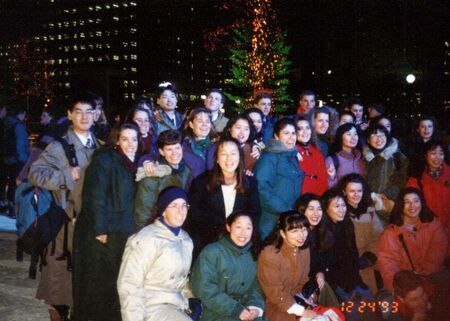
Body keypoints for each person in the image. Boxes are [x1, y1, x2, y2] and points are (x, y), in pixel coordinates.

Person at [28, 94, 99, 321]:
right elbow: (35, 173)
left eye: (89, 111)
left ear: (96, 115)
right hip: (64, 226)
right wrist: (67, 175)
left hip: (89, 224)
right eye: (78, 111)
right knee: (59, 285)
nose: (84, 116)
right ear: (70, 115)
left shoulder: (100, 146)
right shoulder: (59, 146)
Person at [72, 122, 140, 321]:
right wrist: (100, 230)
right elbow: (95, 195)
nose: (130, 144)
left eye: (134, 139)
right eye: (125, 139)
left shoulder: (131, 162)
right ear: (116, 140)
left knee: (112, 282)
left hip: (119, 231)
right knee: (97, 284)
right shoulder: (106, 159)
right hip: (103, 233)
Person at [117, 187, 193, 321]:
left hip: (176, 305)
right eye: (174, 206)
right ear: (163, 210)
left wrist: (190, 299)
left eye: (184, 206)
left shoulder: (185, 239)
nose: (181, 211)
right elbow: (129, 283)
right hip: (150, 306)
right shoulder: (148, 238)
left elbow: (182, 281)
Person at [186, 137, 260, 259]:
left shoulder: (250, 183)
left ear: (240, 157)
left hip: (240, 242)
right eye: (224, 154)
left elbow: (255, 214)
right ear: (217, 160)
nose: (229, 158)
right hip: (209, 243)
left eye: (233, 153)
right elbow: (195, 217)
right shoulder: (201, 183)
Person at [190, 211, 266, 321]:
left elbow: (257, 286)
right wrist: (236, 310)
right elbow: (203, 287)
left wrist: (255, 307)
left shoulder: (254, 253)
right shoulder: (212, 251)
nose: (243, 233)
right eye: (238, 227)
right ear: (228, 227)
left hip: (247, 310)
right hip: (217, 311)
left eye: (248, 228)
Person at [377, 187, 448, 292]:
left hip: (433, 278)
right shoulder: (390, 234)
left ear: (422, 203)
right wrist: (400, 290)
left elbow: (438, 252)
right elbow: (388, 265)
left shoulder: (434, 224)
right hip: (408, 287)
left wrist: (423, 279)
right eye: (407, 202)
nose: (412, 206)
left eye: (416, 201)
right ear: (401, 205)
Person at [257, 210, 318, 321]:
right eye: (294, 231)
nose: (301, 235)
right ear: (282, 233)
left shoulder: (304, 249)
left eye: (304, 230)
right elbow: (274, 292)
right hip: (274, 306)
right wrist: (301, 311)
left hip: (296, 301)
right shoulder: (270, 254)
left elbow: (303, 280)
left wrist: (308, 297)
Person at [318, 189, 373, 304]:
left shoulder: (347, 224)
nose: (342, 210)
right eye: (336, 206)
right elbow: (322, 265)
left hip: (353, 280)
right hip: (335, 286)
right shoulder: (321, 231)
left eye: (343, 205)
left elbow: (353, 254)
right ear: (326, 209)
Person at [253, 118, 304, 239]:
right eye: (286, 133)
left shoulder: (292, 157)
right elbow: (262, 189)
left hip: (288, 219)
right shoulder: (269, 158)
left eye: (293, 133)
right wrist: (286, 211)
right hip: (272, 219)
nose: (291, 137)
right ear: (276, 136)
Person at [134, 130, 190, 230]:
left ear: (182, 148)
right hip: (157, 229)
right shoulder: (152, 175)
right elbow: (143, 213)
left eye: (177, 148)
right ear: (161, 152)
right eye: (169, 149)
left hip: (178, 224)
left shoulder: (185, 170)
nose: (174, 153)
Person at [339, 173, 384, 293]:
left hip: (369, 258)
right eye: (352, 191)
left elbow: (379, 237)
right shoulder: (340, 213)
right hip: (348, 263)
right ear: (344, 192)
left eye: (359, 191)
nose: (356, 195)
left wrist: (369, 257)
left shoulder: (370, 212)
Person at [406, 140, 449, 254]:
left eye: (441, 153)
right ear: (425, 155)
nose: (438, 157)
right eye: (433, 153)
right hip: (426, 233)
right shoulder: (416, 178)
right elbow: (410, 210)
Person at [363, 125, 409, 217]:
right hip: (368, 208)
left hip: (390, 205)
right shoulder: (363, 158)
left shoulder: (398, 157)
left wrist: (384, 196)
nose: (379, 138)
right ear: (368, 140)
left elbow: (402, 181)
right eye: (374, 135)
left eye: (382, 135)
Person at [3, 103, 30, 209]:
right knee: (17, 184)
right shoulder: (18, 126)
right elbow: (21, 144)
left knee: (10, 183)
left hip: (6, 158)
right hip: (17, 160)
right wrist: (24, 161)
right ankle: (15, 205)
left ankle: (8, 203)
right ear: (22, 114)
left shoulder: (5, 123)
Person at [295, 116, 328, 196]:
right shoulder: (290, 153)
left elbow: (323, 180)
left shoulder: (317, 153)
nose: (305, 132)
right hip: (297, 199)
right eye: (300, 129)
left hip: (315, 198)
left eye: (307, 128)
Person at [326, 123, 366, 187]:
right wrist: (331, 178)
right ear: (340, 137)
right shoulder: (332, 160)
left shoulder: (362, 158)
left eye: (355, 134)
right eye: (349, 134)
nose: (353, 138)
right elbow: (329, 188)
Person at [181, 108, 217, 179]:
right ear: (191, 124)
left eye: (207, 121)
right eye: (200, 121)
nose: (204, 125)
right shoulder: (182, 147)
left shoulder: (218, 146)